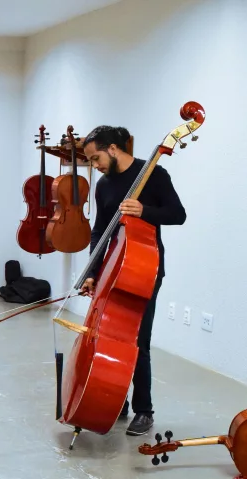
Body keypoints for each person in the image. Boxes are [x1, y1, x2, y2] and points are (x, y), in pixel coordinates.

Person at [79, 125, 186, 436]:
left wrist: (144, 210)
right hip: (113, 267)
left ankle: (144, 410)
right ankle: (115, 399)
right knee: (110, 337)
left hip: (144, 269)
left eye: (95, 157)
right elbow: (100, 230)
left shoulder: (153, 173)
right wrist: (91, 271)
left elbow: (177, 214)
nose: (94, 165)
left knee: (138, 340)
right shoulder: (103, 186)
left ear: (113, 148)